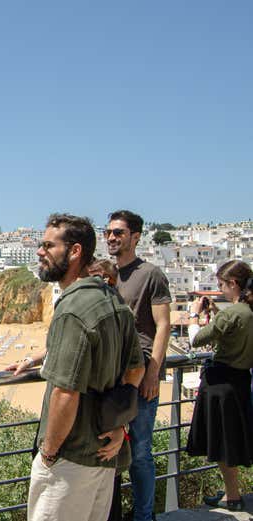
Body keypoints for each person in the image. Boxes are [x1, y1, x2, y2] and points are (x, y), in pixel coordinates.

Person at [28, 214, 144, 521]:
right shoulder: (115, 302)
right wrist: (118, 426)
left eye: (48, 245)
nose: (40, 252)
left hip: (70, 459)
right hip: (104, 453)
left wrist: (49, 453)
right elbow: (135, 372)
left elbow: (65, 393)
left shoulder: (72, 311)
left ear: (75, 251)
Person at [106, 210, 171, 521]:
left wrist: (153, 374)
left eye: (118, 232)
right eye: (108, 232)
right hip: (113, 376)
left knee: (141, 453)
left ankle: (145, 516)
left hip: (143, 372)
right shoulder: (108, 276)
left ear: (135, 237)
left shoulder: (151, 274)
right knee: (111, 450)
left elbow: (163, 326)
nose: (111, 237)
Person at [186, 260, 253, 511]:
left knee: (224, 442)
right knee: (233, 439)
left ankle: (232, 496)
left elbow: (195, 339)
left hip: (221, 384)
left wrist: (193, 313)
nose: (220, 289)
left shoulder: (233, 313)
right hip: (241, 380)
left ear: (234, 284)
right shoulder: (246, 311)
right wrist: (216, 313)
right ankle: (231, 493)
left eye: (222, 285)